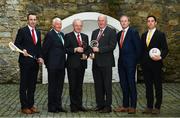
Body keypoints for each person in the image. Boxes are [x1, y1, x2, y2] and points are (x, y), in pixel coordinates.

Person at [14, 13, 44, 114]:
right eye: (31, 19)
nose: (33, 21)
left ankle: (31, 105)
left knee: (32, 85)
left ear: (36, 20)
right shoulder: (22, 31)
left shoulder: (38, 32)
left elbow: (39, 47)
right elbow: (16, 44)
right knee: (24, 85)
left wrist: (40, 57)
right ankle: (24, 106)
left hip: (35, 63)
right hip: (25, 62)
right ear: (28, 20)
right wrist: (23, 50)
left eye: (35, 19)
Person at [113, 15, 141, 114]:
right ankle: (125, 105)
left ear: (129, 22)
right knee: (123, 84)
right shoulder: (119, 34)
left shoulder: (133, 32)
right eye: (122, 21)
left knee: (131, 83)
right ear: (120, 23)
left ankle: (133, 106)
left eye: (125, 21)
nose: (123, 23)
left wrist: (135, 62)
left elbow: (138, 48)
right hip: (121, 63)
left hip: (130, 63)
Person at [141, 15, 168, 114]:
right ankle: (149, 106)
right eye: (148, 21)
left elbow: (165, 49)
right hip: (146, 65)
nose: (150, 23)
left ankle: (157, 107)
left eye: (152, 21)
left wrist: (160, 57)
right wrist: (141, 62)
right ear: (147, 23)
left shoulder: (160, 35)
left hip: (156, 64)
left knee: (157, 86)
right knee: (148, 86)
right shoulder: (143, 35)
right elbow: (143, 50)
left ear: (155, 23)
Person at [90, 15, 117, 113]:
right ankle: (100, 104)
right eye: (99, 20)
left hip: (106, 63)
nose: (101, 22)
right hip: (96, 63)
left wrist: (100, 49)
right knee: (98, 85)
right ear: (97, 22)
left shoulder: (111, 31)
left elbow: (112, 46)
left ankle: (108, 106)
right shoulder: (94, 32)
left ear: (106, 21)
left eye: (102, 20)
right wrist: (91, 54)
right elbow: (92, 46)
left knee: (107, 85)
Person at [64, 19, 89, 112]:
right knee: (73, 85)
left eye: (80, 26)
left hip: (82, 64)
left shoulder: (85, 36)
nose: (79, 27)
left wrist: (87, 54)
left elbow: (87, 49)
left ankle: (79, 105)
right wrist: (75, 49)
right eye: (77, 25)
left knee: (79, 86)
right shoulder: (68, 36)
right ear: (73, 26)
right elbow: (65, 49)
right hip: (72, 65)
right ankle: (73, 106)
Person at [42, 17, 66, 113]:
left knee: (60, 87)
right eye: (57, 24)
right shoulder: (50, 35)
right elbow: (45, 50)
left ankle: (58, 106)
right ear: (53, 25)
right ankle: (51, 107)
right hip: (53, 66)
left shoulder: (62, 34)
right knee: (52, 86)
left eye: (60, 24)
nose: (59, 25)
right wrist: (48, 64)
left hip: (61, 65)